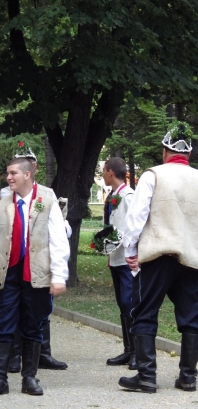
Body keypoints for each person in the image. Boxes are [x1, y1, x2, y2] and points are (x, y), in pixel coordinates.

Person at [118, 121, 198, 394]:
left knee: (145, 311)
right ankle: (188, 376)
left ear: (165, 150)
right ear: (188, 153)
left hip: (158, 253)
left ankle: (146, 376)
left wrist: (131, 252)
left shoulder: (154, 175)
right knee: (192, 316)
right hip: (190, 257)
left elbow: (136, 216)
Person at [0, 157, 70, 397]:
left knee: (33, 324)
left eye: (13, 173)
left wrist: (59, 275)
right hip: (7, 273)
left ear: (27, 175)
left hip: (36, 273)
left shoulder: (47, 201)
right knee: (2, 325)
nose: (8, 178)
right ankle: (0, 379)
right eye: (7, 174)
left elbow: (58, 240)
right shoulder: (2, 204)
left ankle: (29, 378)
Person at [1, 142, 69, 372]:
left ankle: (42, 353)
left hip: (36, 261)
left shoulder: (46, 194)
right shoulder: (6, 196)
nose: (11, 177)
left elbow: (54, 229)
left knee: (39, 309)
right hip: (14, 260)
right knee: (14, 310)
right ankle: (14, 354)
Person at [102, 157, 136, 370]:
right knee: (122, 304)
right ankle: (128, 349)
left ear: (110, 172)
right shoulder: (114, 195)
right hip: (116, 258)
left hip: (127, 259)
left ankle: (137, 351)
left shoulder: (129, 196)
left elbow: (132, 228)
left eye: (103, 170)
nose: (103, 175)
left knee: (129, 304)